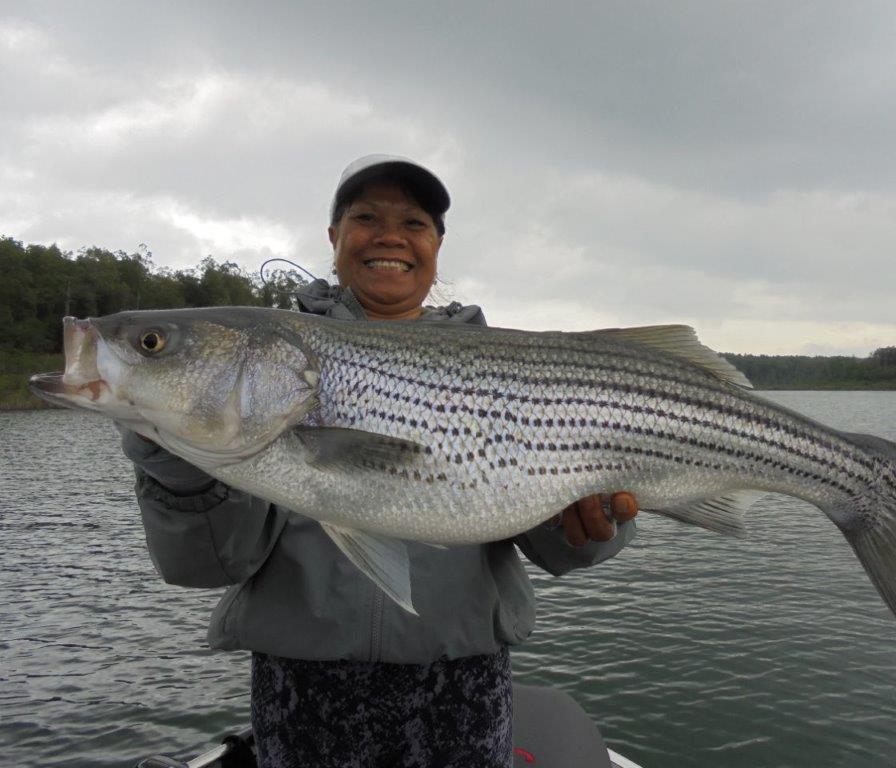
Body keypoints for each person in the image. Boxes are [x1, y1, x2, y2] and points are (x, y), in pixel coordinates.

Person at [121, 154, 639, 768]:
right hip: (302, 695)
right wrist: (174, 463)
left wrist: (590, 526)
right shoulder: (268, 369)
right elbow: (209, 564)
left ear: (437, 245)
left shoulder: (502, 368)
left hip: (463, 692)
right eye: (366, 216)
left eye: (415, 222)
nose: (390, 236)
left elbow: (559, 547)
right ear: (334, 236)